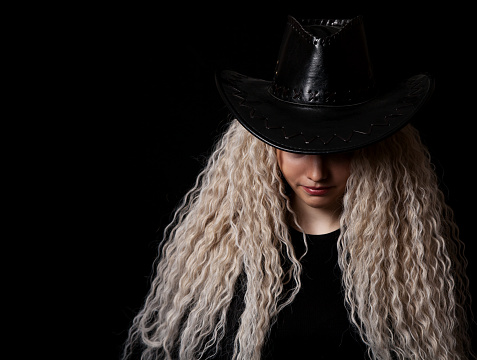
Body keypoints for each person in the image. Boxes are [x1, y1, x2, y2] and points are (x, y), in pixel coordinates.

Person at [122, 15, 474, 360]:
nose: (317, 173)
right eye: (297, 149)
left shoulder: (405, 256)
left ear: (372, 148)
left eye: (340, 151)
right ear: (268, 148)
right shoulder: (221, 251)